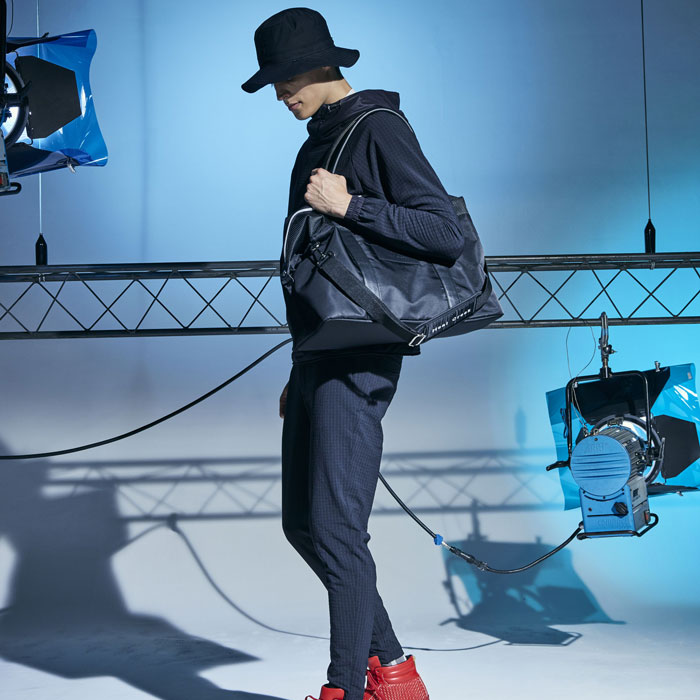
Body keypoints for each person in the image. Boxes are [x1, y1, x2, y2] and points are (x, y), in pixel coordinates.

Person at [242, 8, 464, 700]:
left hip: (360, 353)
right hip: (319, 355)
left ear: (322, 65)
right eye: (273, 84)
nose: (281, 94)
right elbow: (310, 272)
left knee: (338, 529)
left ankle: (344, 687)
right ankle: (392, 670)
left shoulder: (378, 128)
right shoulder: (316, 143)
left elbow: (444, 234)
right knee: (304, 526)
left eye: (285, 80)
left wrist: (351, 207)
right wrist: (298, 364)